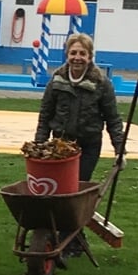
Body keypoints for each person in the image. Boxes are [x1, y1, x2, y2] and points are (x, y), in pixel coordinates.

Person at [35, 31, 125, 183]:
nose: (77, 58)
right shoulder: (57, 80)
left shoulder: (101, 84)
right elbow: (45, 115)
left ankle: (81, 207)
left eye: (82, 53)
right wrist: (39, 145)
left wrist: (120, 150)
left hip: (88, 145)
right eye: (73, 53)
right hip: (60, 145)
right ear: (67, 55)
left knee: (78, 184)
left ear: (90, 57)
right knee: (60, 185)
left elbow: (113, 119)